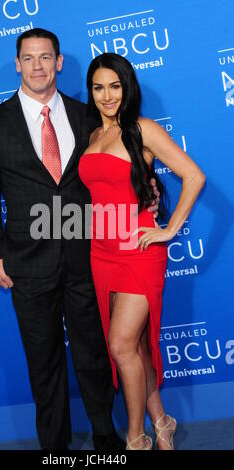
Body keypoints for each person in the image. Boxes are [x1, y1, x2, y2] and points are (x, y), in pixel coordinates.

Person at [0, 28, 161, 450]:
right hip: (26, 261)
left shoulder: (87, 116)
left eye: (45, 57)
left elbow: (122, 168)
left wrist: (152, 191)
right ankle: (54, 449)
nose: (37, 66)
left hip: (86, 256)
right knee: (44, 363)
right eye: (29, 58)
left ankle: (106, 439)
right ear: (18, 64)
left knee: (94, 354)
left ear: (58, 63)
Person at [78, 53, 206, 450]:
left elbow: (193, 175)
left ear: (127, 87)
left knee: (120, 344)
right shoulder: (94, 137)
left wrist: (168, 230)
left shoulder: (142, 129)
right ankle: (162, 421)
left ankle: (136, 438)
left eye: (114, 86)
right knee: (132, 346)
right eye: (98, 87)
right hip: (102, 252)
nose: (107, 95)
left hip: (139, 250)